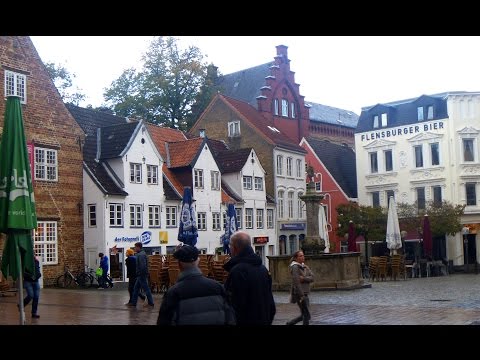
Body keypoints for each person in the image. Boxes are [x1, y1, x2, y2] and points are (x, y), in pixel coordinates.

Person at [157, 244, 235, 325]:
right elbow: (230, 318)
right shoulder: (218, 287)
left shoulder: (173, 293)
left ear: (179, 264)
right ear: (198, 261)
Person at [223, 231, 276, 325]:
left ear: (235, 247)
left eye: (230, 246)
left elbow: (235, 305)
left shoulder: (238, 271)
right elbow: (271, 303)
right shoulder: (263, 269)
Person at [286, 250, 314, 325]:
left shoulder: (304, 266)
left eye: (303, 255)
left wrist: (304, 279)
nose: (303, 257)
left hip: (306, 292)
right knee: (306, 315)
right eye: (300, 256)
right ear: (296, 258)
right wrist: (301, 295)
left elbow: (312, 277)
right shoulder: (295, 267)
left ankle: (290, 323)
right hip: (300, 294)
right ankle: (290, 323)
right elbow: (296, 282)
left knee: (305, 314)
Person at [128, 242, 155, 308]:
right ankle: (133, 303)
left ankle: (151, 303)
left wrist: (141, 273)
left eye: (135, 247)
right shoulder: (140, 254)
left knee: (146, 289)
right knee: (136, 288)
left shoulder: (141, 255)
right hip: (140, 274)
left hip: (141, 274)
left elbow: (143, 266)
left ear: (138, 247)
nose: (134, 248)